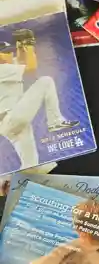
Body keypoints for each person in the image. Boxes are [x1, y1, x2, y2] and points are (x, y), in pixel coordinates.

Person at [0, 33, 79, 170]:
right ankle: (55, 121)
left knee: (32, 165)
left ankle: (16, 182)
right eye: (3, 51)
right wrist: (28, 45)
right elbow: (30, 67)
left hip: (12, 123)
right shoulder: (2, 69)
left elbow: (21, 61)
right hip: (11, 118)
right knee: (45, 81)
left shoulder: (7, 67)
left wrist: (21, 46)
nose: (6, 53)